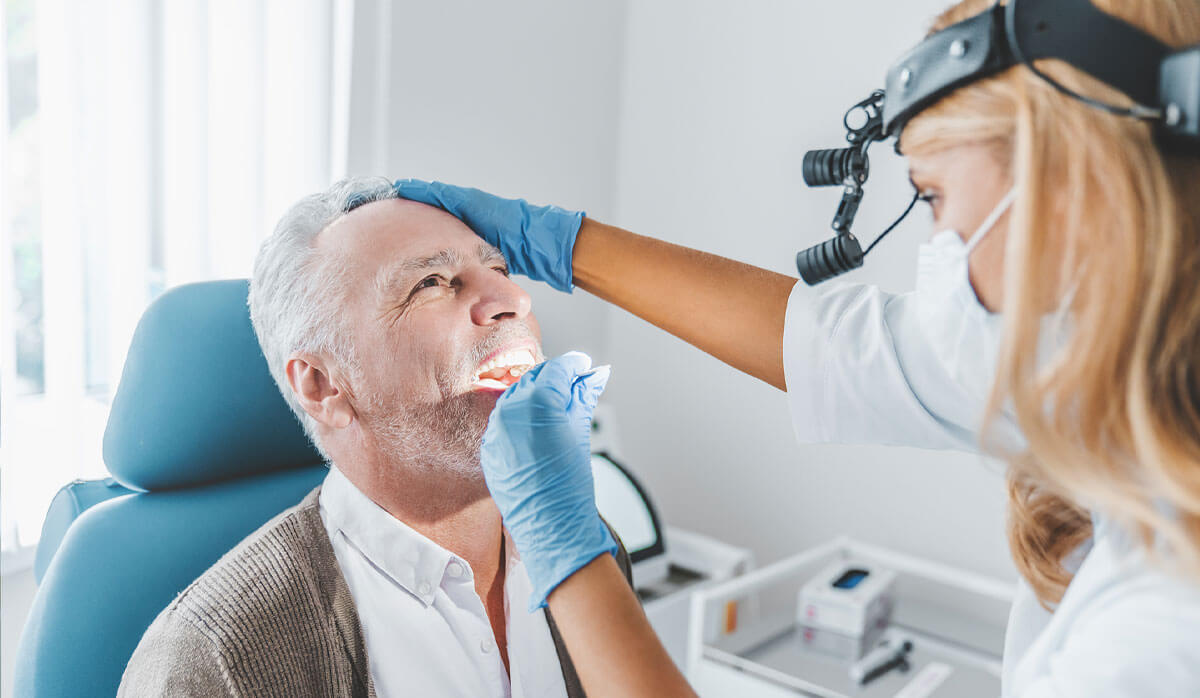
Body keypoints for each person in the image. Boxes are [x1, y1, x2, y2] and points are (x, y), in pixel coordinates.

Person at [394, 0, 1200, 695]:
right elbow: (841, 347)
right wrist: (560, 244)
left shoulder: (1163, 630)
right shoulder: (1106, 367)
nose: (941, 244)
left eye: (937, 197)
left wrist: (566, 552)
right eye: (429, 285)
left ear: (1085, 191)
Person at [118, 177, 631, 697]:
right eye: (432, 282)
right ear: (323, 386)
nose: (514, 299)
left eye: (499, 268)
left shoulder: (592, 553)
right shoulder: (211, 664)